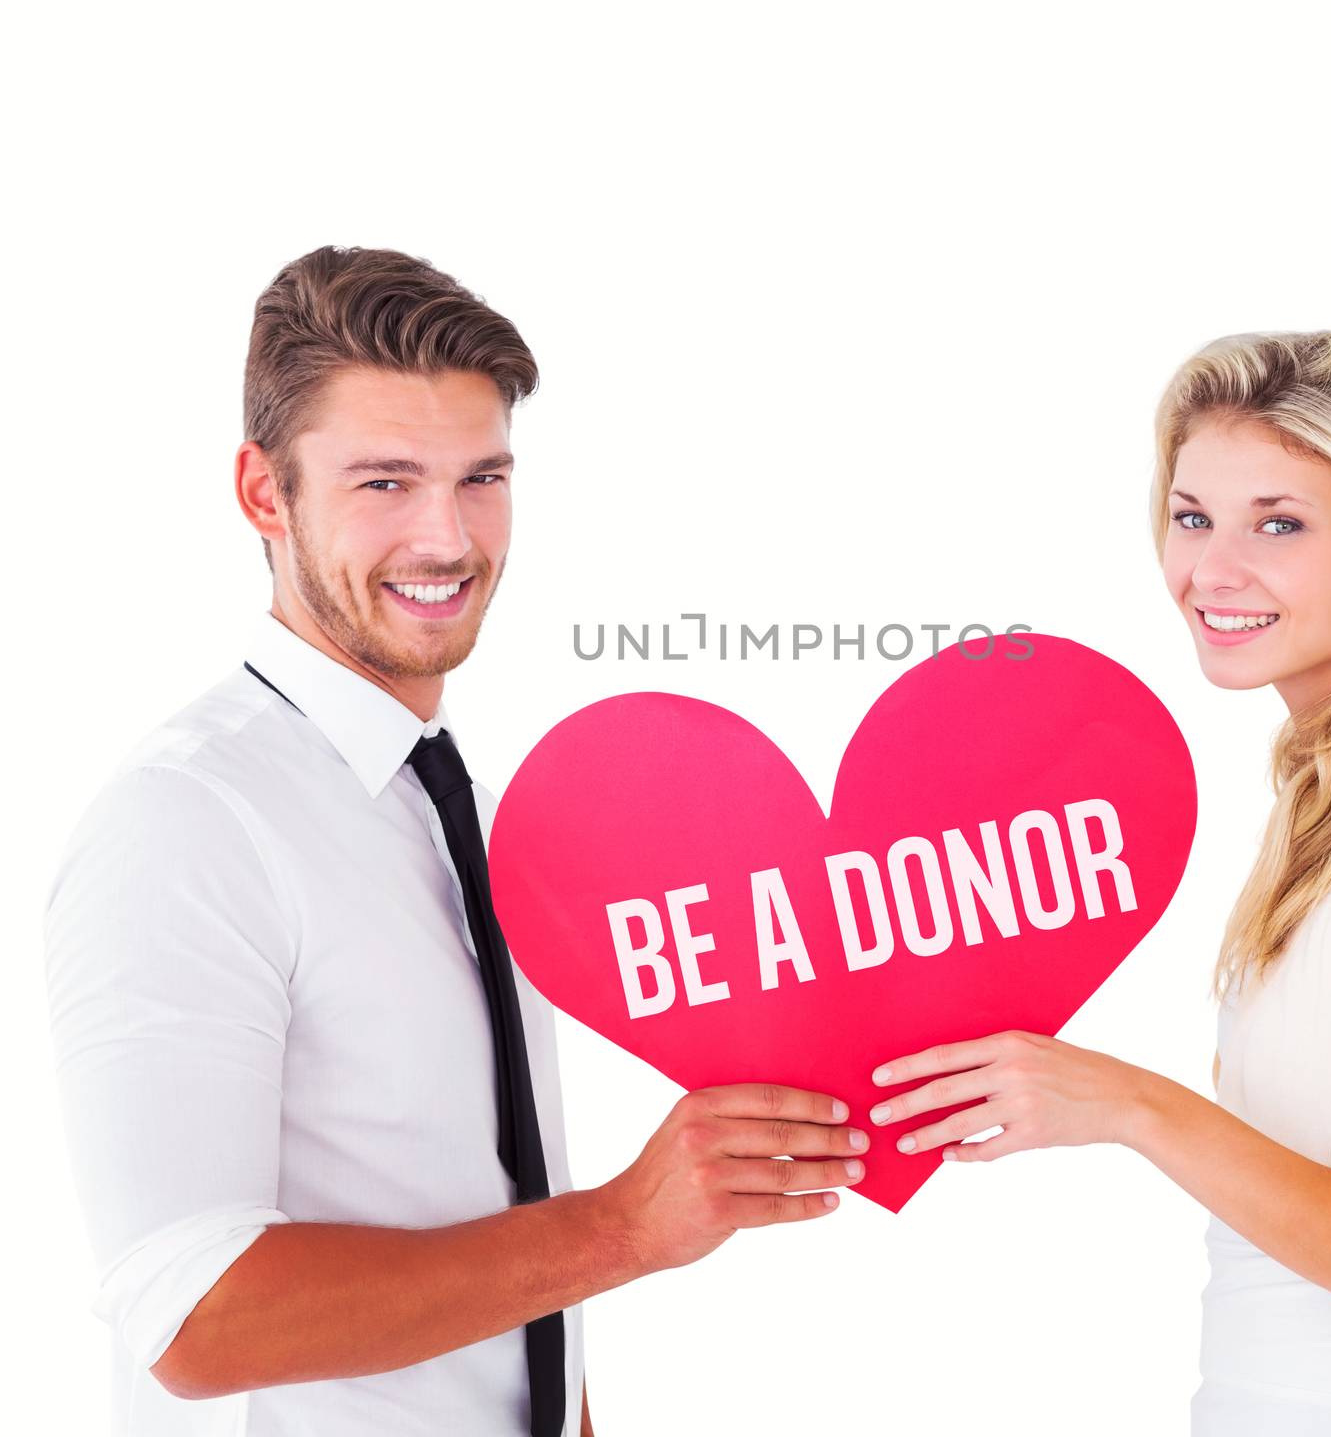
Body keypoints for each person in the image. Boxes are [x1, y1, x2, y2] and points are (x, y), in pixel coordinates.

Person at [42, 245, 870, 1437]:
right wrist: (630, 1224)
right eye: (385, 482)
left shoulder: (453, 804)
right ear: (264, 494)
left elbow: (492, 1203)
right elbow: (192, 1317)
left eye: (481, 477)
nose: (449, 537)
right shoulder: (186, 821)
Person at [869, 332, 1331, 1434]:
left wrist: (1132, 1105)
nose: (1211, 571)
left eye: (1278, 524)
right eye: (1193, 515)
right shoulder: (1328, 787)